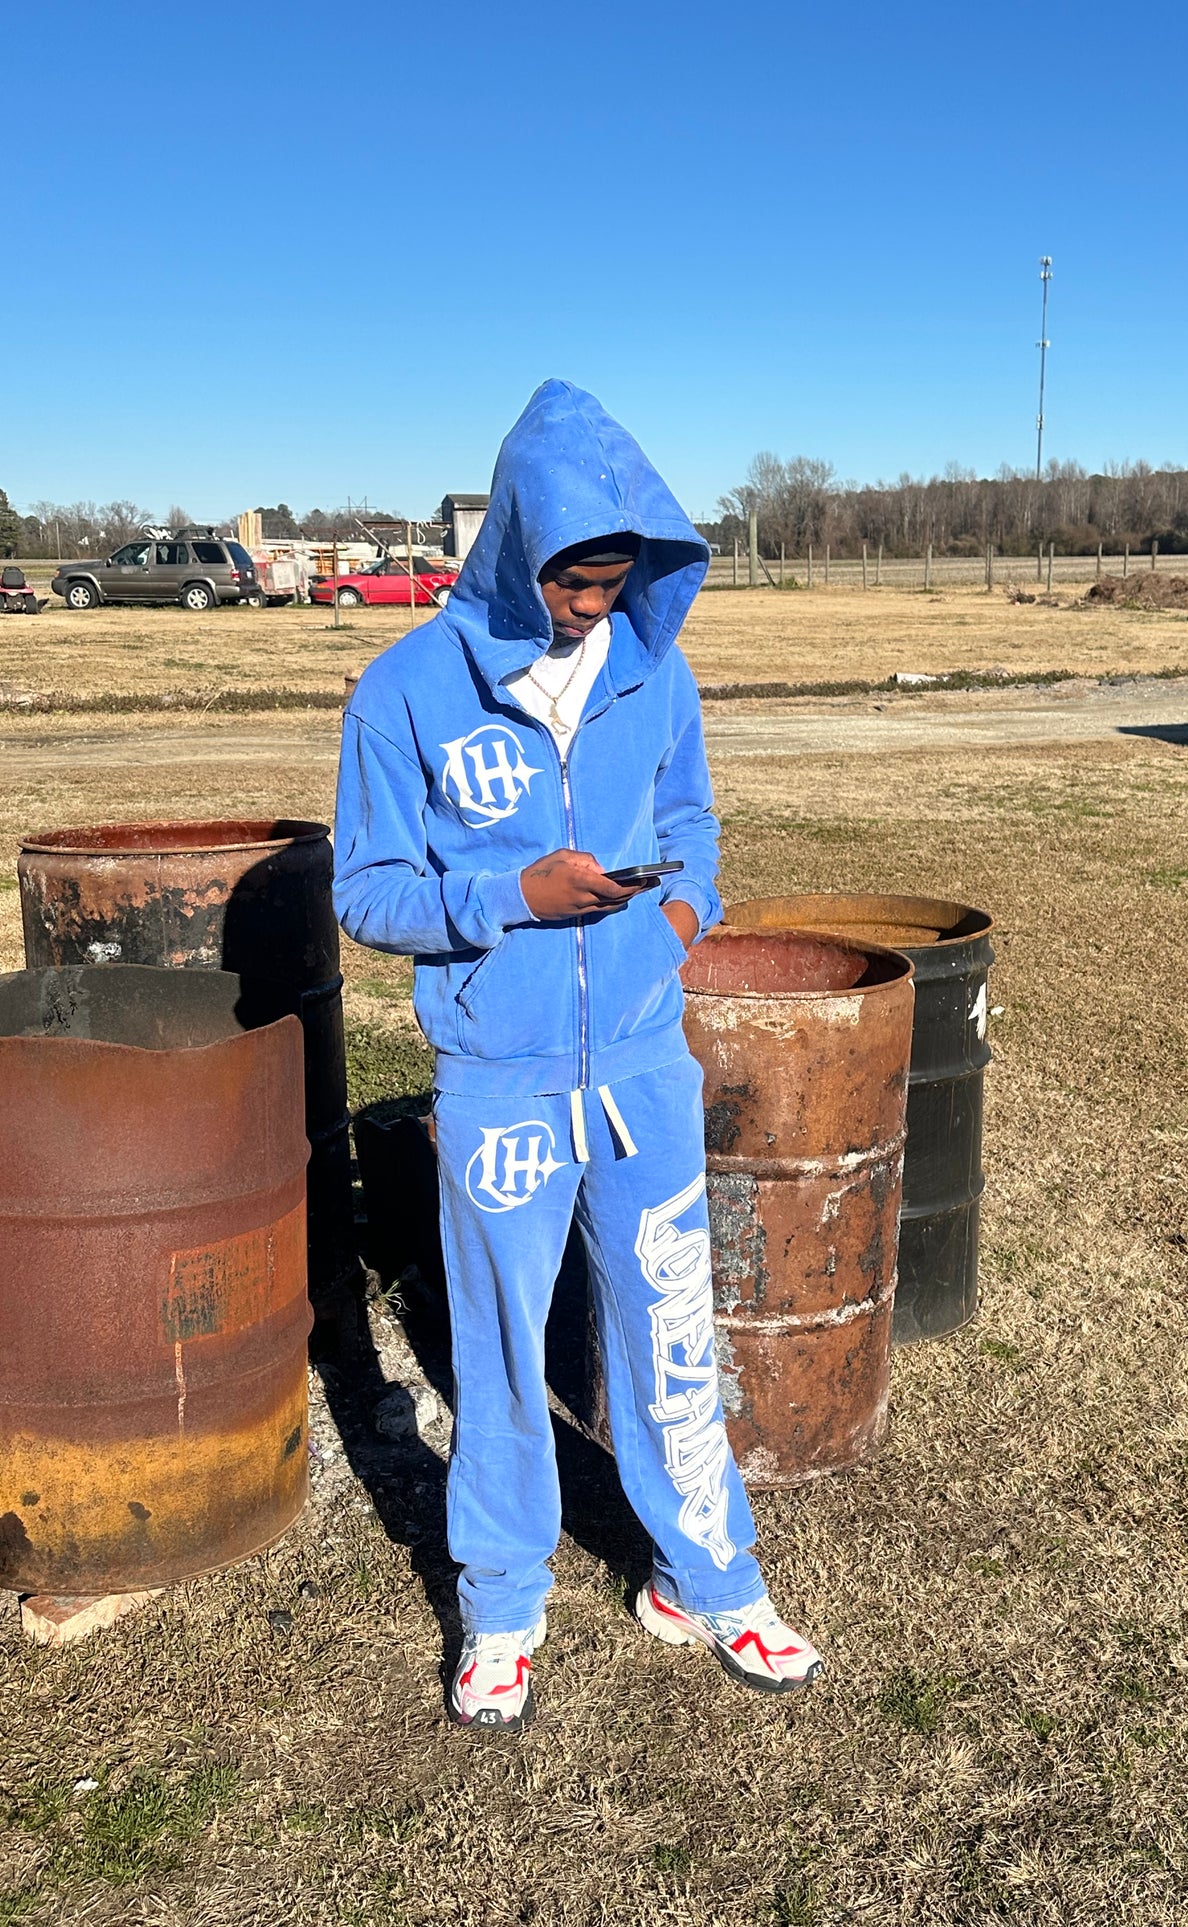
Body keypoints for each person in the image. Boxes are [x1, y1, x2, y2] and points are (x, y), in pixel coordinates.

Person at [333, 379, 822, 1732]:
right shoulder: (407, 691)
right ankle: (500, 1604)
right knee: (495, 1349)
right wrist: (509, 901)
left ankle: (707, 1579)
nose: (592, 605)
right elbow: (367, 892)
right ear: (515, 551)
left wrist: (676, 919)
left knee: (670, 1326)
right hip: (499, 1076)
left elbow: (696, 822)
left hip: (644, 1066)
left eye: (617, 578)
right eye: (571, 577)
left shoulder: (656, 672)